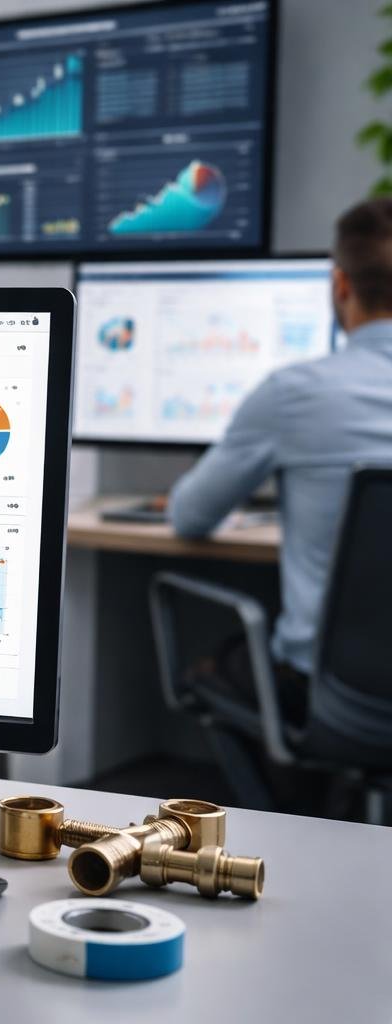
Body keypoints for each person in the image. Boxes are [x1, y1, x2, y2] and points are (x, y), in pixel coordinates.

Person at [168, 196, 392, 713]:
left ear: (340, 286)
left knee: (213, 669)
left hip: (330, 690)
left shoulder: (294, 394)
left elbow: (190, 516)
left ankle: (287, 796)